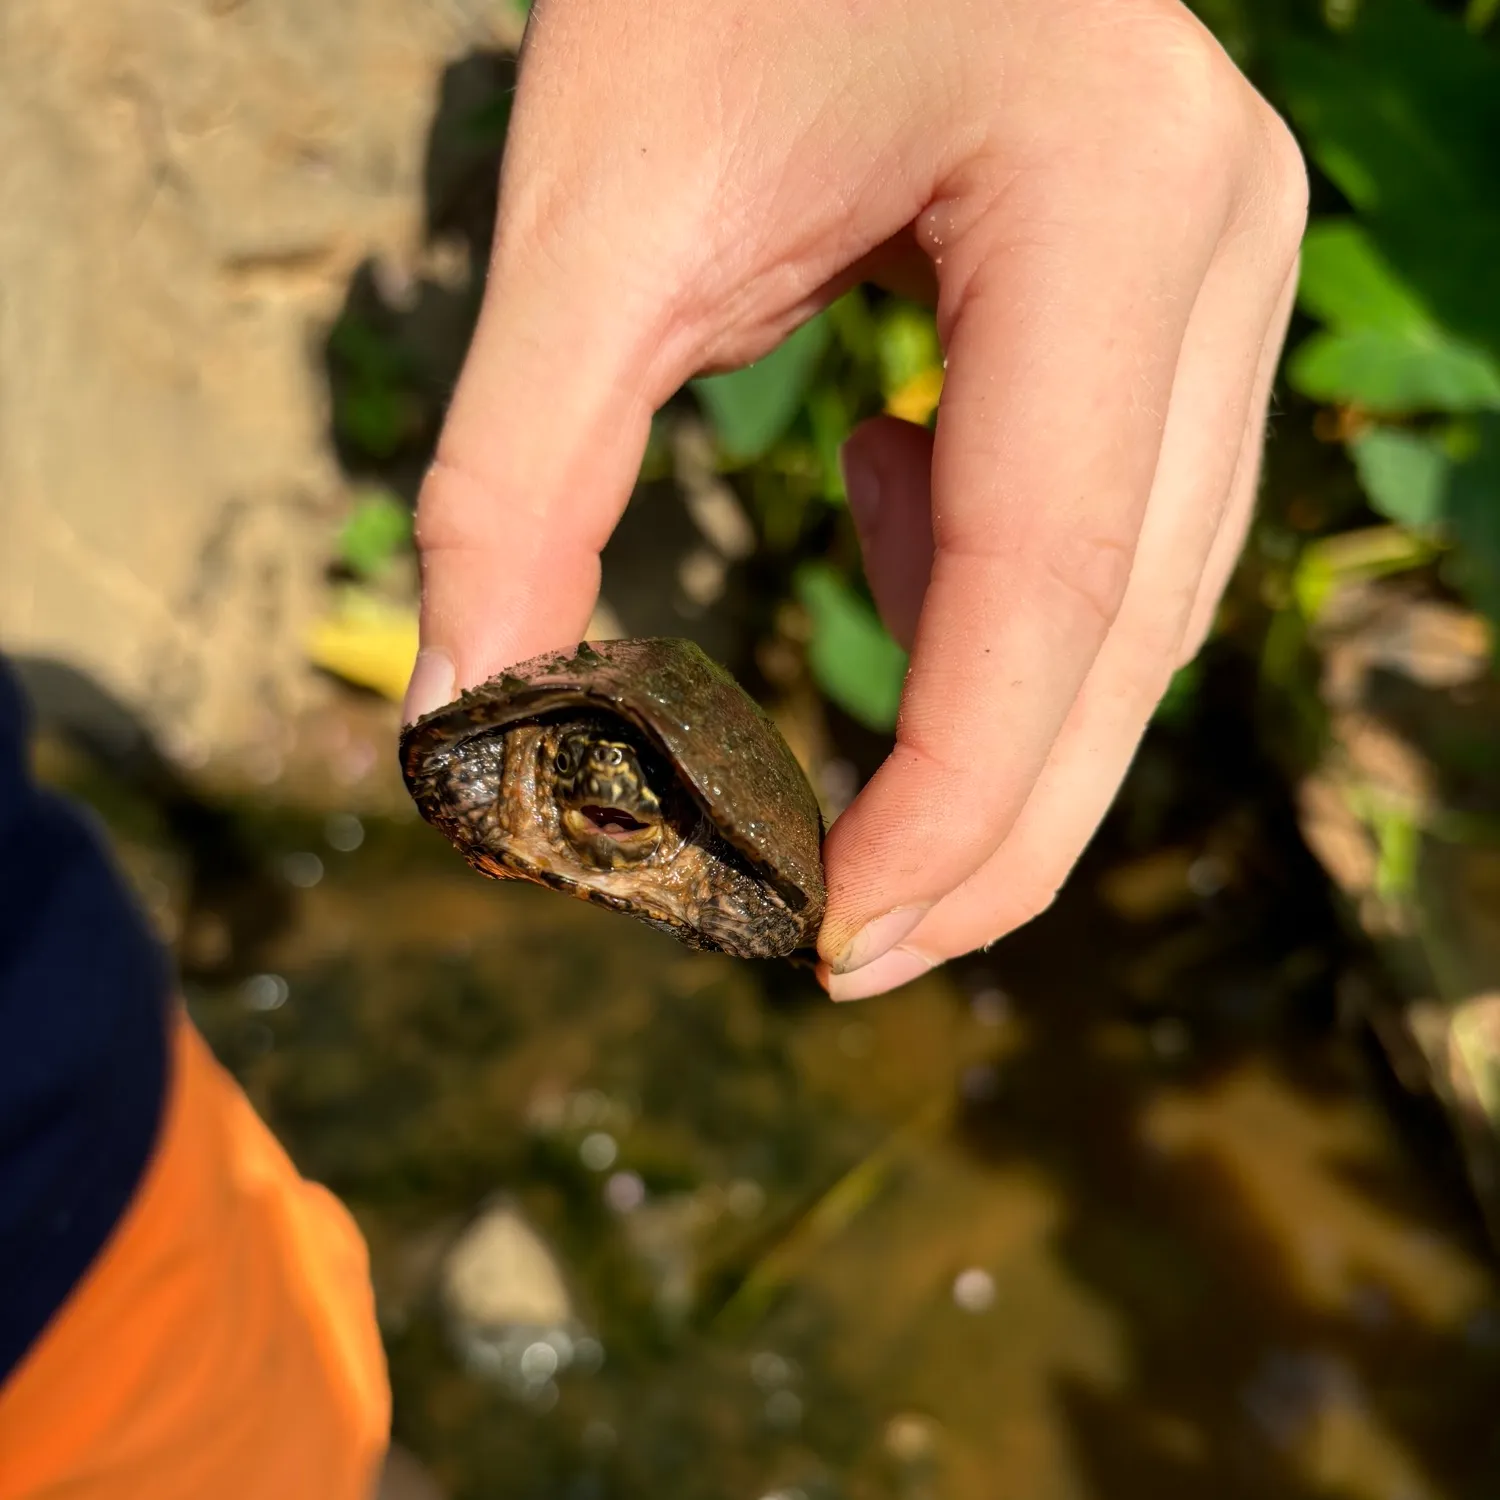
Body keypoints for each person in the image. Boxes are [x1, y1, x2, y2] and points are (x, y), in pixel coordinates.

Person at [0, 0, 1306, 1493]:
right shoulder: (521, 763)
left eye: (618, 807)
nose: (598, 805)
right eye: (606, 804)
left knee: (280, 1416)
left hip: (85, 1209)